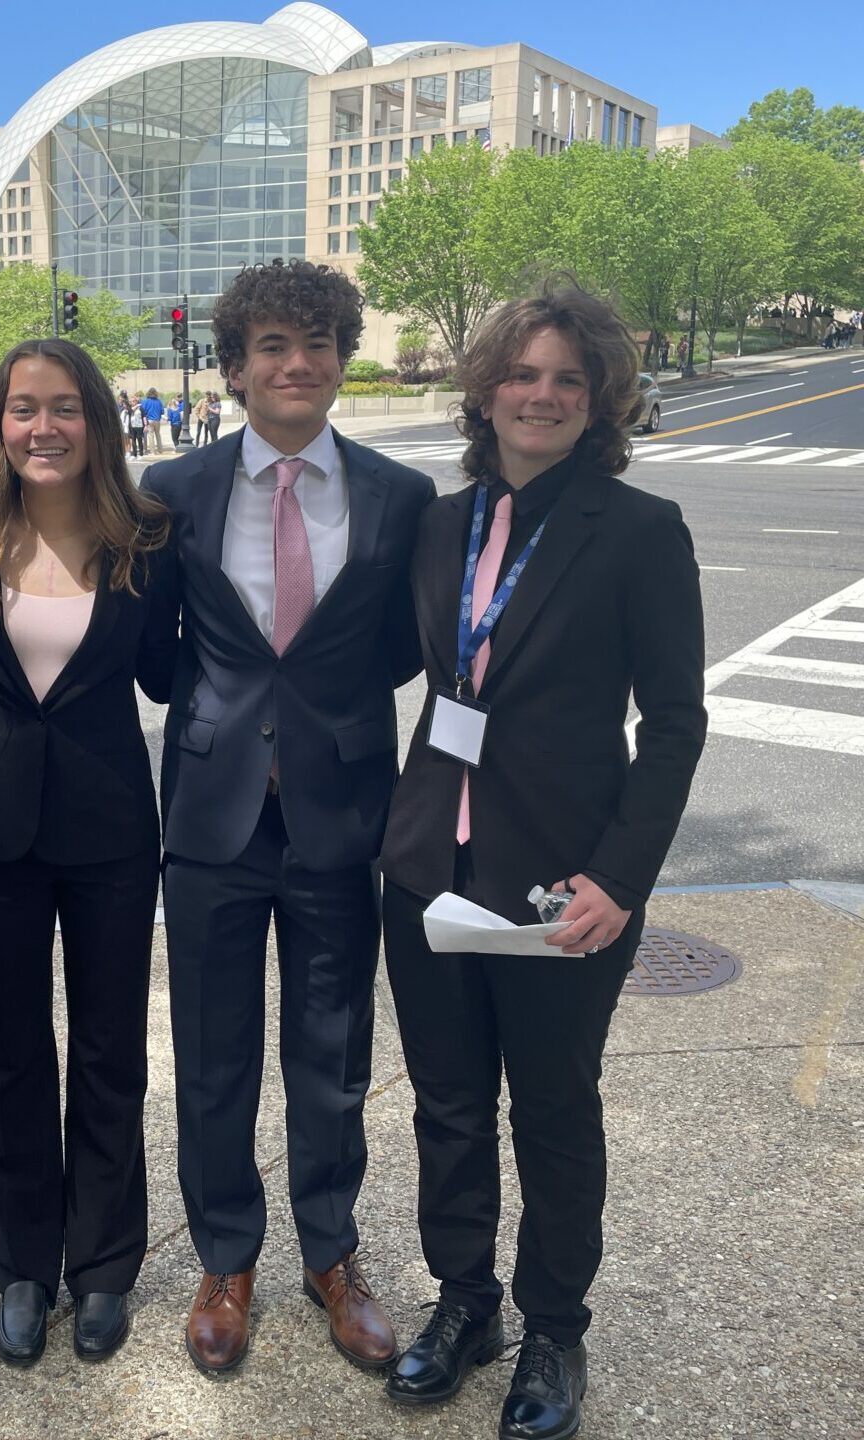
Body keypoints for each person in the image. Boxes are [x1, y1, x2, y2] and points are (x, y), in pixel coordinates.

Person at [379, 283, 707, 1440]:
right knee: (448, 1107)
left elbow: (674, 723)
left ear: (601, 399)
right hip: (430, 867)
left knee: (555, 1109)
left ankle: (554, 1330)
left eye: (570, 378)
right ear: (486, 388)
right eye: (523, 373)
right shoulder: (436, 521)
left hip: (561, 884)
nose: (543, 395)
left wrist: (620, 880)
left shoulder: (637, 531)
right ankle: (463, 1303)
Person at [142, 259, 435, 1377]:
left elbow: (401, 647)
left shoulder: (398, 497)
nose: (296, 363)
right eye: (271, 345)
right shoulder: (175, 488)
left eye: (316, 344)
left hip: (342, 811)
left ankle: (332, 1255)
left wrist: (327, 720)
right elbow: (158, 652)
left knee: (333, 1055)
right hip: (213, 815)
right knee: (213, 1057)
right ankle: (226, 1259)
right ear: (233, 366)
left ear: (341, 360)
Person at [0, 338, 177, 1369]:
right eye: (23, 408)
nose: (43, 427)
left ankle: (104, 1264)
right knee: (13, 1054)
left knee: (111, 1053)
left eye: (64, 407)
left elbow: (166, 673)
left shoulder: (145, 538)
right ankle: (24, 1263)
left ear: (97, 420)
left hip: (112, 829)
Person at [140, 386, 165, 452]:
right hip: (157, 420)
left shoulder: (145, 401)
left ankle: (152, 451)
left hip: (149, 420)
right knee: (158, 435)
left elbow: (143, 411)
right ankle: (160, 450)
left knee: (151, 436)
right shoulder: (159, 401)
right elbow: (162, 411)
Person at [127, 392, 147, 457]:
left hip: (139, 426)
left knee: (140, 439)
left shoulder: (141, 408)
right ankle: (135, 454)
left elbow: (144, 416)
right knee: (133, 440)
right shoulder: (130, 408)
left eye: (133, 401)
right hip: (132, 426)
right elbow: (130, 412)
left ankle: (141, 453)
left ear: (136, 401)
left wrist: (145, 425)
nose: (132, 402)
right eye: (131, 401)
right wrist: (136, 406)